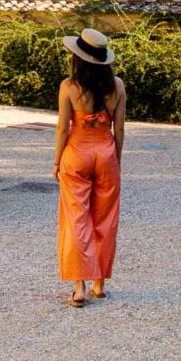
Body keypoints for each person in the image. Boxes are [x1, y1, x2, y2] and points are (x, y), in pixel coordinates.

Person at [53, 28, 126, 307]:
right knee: (105, 219)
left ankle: (80, 286)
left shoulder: (69, 86)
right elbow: (119, 128)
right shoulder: (117, 85)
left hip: (77, 153)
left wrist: (56, 161)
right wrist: (116, 160)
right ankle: (100, 284)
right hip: (105, 152)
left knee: (77, 219)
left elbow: (62, 128)